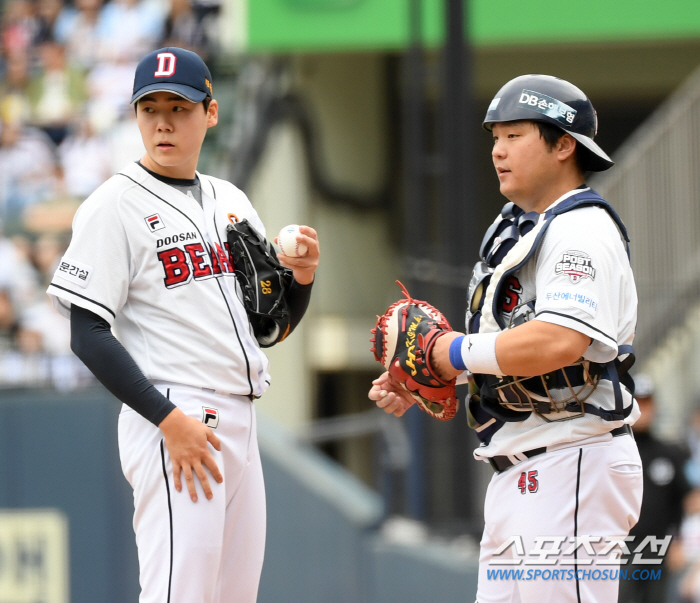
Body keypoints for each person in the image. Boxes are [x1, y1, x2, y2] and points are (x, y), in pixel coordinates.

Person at [46, 46, 320, 602]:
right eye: (151, 108)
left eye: (180, 106)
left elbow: (271, 326)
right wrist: (168, 420)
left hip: (241, 415)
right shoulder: (113, 205)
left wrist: (304, 279)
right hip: (176, 411)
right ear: (136, 115)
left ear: (210, 113)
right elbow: (87, 333)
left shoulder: (231, 200)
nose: (164, 121)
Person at [370, 74, 642, 603]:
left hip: (573, 459)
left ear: (564, 144)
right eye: (495, 137)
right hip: (522, 467)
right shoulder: (520, 226)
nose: (498, 150)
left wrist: (448, 353)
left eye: (515, 135)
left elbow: (560, 340)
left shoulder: (580, 227)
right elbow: (512, 345)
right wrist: (430, 373)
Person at [618, 374, 692, 603]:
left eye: (648, 402)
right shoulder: (615, 452)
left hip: (659, 547)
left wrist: (679, 541)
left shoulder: (669, 453)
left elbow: (683, 500)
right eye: (639, 402)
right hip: (622, 548)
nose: (644, 409)